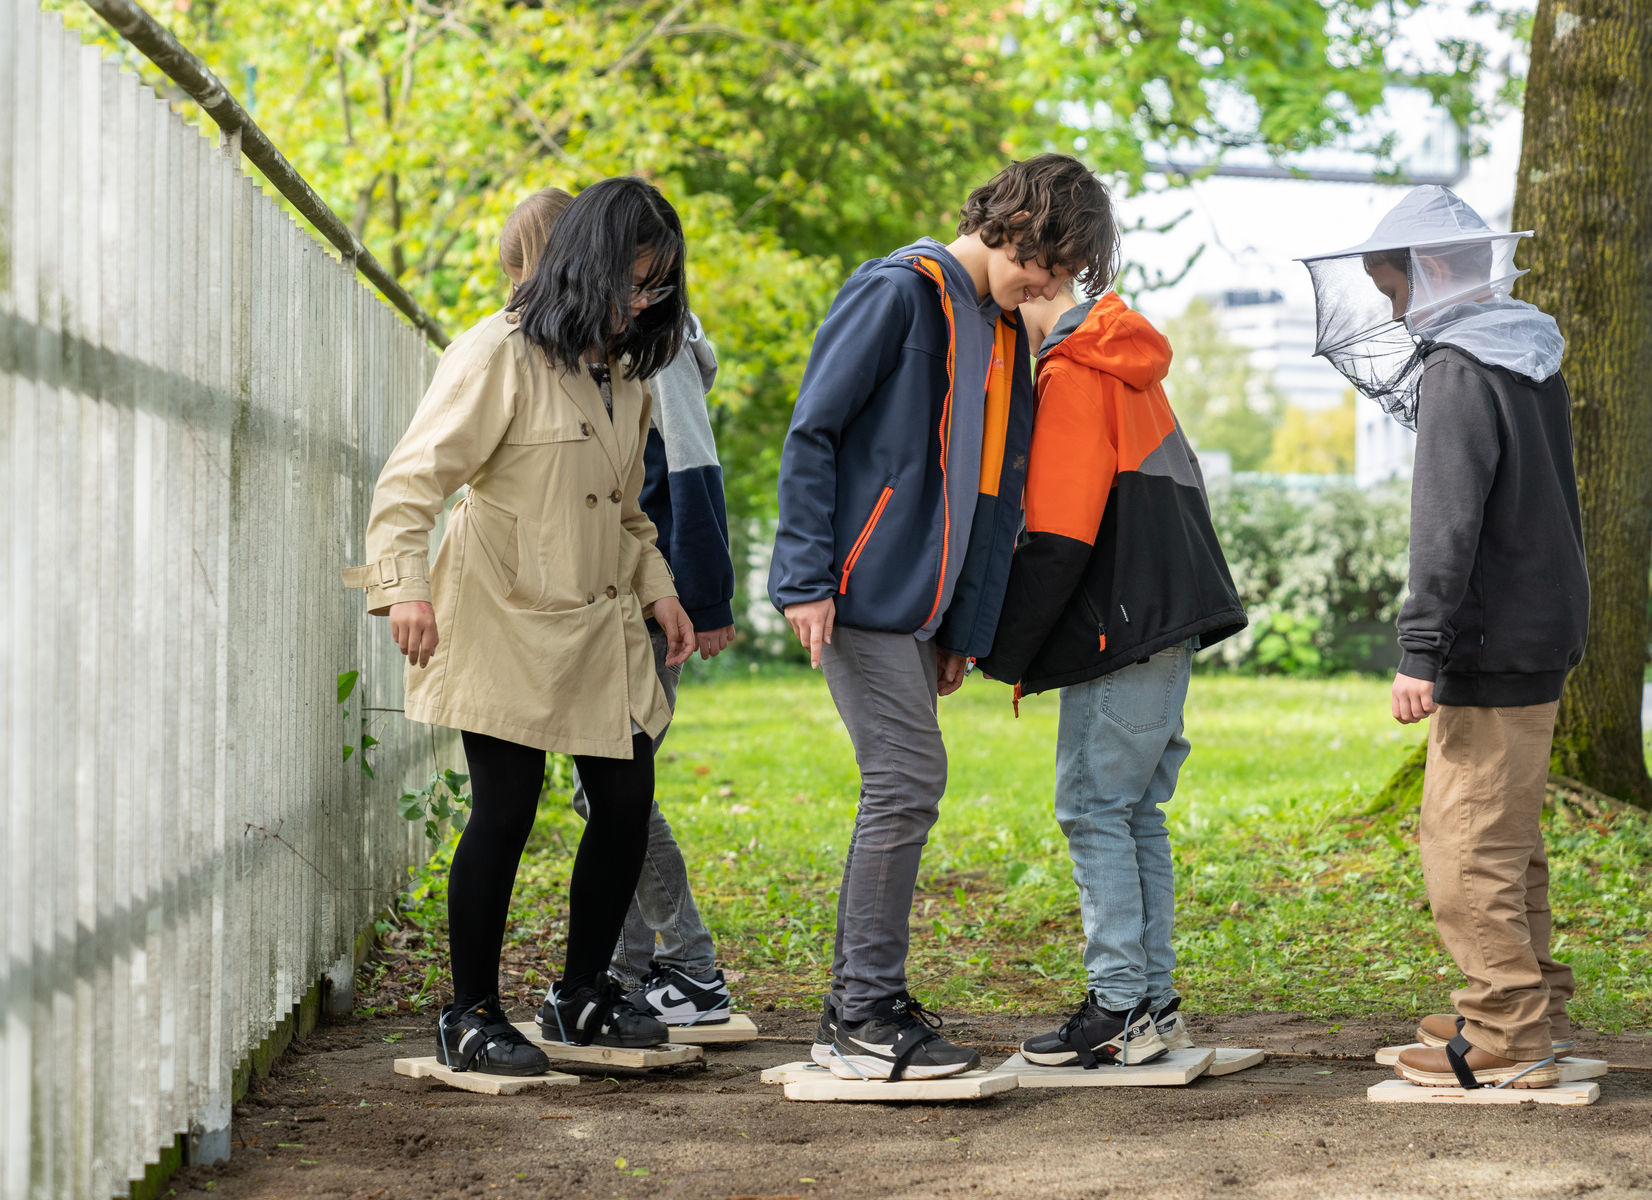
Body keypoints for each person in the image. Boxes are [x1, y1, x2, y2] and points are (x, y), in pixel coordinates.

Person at [768, 153, 1119, 1081]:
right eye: (1051, 259)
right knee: (907, 779)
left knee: (905, 783)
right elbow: (814, 430)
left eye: (1068, 272)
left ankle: (864, 1005)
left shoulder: (1001, 332)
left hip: (925, 612)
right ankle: (861, 1015)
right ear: (1012, 224)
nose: (1051, 283)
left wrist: (966, 628)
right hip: (859, 590)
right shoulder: (898, 293)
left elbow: (996, 495)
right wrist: (805, 576)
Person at [342, 178, 698, 1076]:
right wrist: (403, 590)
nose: (639, 302)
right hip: (498, 611)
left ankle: (580, 995)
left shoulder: (625, 379)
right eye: (631, 280)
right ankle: (469, 1015)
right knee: (507, 808)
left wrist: (662, 590)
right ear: (586, 263)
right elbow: (410, 482)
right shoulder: (496, 352)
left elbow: (625, 511)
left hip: (599, 621)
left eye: (655, 287)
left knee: (623, 803)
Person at [1298, 185, 1589, 1090]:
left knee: (1464, 843)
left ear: (1430, 274)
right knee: (1510, 839)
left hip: (1491, 638)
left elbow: (1447, 523)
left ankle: (1504, 1035)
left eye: (1392, 286)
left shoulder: (1460, 369)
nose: (1390, 304)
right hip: (1540, 628)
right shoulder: (1529, 354)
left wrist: (1420, 650)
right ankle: (1524, 1003)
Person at [978, 280, 1245, 1068]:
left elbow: (1058, 538)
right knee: (1133, 814)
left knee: (1094, 809)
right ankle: (1153, 1005)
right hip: (1164, 625)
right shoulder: (1132, 364)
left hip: (1120, 631)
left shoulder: (1073, 369)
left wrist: (999, 653)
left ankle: (1119, 1007)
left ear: (1030, 286)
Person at [499, 189, 737, 1028]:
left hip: (644, 590)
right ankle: (629, 972)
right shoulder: (578, 348)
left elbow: (690, 472)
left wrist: (701, 598)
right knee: (607, 793)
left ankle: (692, 969)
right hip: (590, 590)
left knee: (618, 793)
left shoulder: (654, 353)